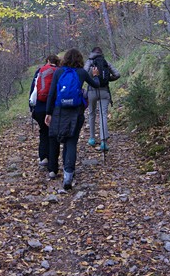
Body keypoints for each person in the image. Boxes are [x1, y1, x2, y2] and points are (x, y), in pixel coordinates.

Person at [45, 49, 100, 190]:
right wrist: (95, 76)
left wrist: (48, 112)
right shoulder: (81, 73)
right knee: (71, 142)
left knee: (62, 139)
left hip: (60, 111)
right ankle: (68, 174)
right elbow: (96, 85)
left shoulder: (58, 72)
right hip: (76, 112)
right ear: (80, 59)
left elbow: (52, 93)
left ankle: (61, 169)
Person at [84, 47, 120, 151]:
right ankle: (103, 142)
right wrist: (108, 79)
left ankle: (92, 138)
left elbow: (84, 73)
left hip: (92, 91)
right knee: (103, 114)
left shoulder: (90, 62)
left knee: (91, 114)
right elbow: (117, 74)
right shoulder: (105, 62)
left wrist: (91, 80)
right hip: (104, 91)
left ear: (92, 53)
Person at [29, 54, 61, 167]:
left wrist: (31, 107)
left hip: (39, 107)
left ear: (47, 61)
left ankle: (43, 158)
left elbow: (33, 89)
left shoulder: (39, 71)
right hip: (54, 107)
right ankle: (53, 163)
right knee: (53, 135)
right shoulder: (59, 71)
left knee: (43, 131)